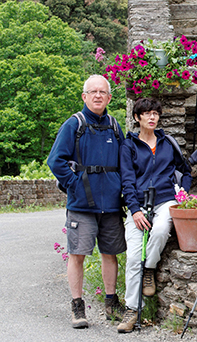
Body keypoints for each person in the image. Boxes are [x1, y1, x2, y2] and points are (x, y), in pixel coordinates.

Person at [47, 75, 126, 329]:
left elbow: (124, 162)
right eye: (93, 92)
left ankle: (111, 302)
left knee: (110, 254)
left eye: (103, 92)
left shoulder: (114, 126)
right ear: (84, 96)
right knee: (77, 254)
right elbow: (55, 161)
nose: (98, 96)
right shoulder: (74, 124)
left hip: (111, 204)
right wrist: (74, 184)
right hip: (82, 205)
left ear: (109, 97)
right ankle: (77, 306)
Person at [117, 98, 193, 333]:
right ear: (137, 117)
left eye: (155, 113)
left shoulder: (167, 143)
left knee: (160, 230)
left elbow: (186, 170)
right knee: (132, 257)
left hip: (164, 200)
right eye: (146, 114)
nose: (152, 117)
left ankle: (149, 269)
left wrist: (183, 193)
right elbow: (127, 181)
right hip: (138, 204)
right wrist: (135, 210)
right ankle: (132, 309)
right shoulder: (128, 146)